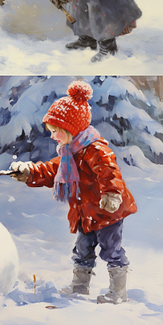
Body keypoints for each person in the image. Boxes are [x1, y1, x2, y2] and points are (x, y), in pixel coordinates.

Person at [10, 80, 137, 304]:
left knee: (111, 250)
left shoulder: (95, 149)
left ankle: (118, 292)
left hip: (108, 213)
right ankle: (80, 287)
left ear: (71, 129)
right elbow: (51, 170)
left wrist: (112, 195)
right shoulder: (71, 153)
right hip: (87, 213)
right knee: (82, 250)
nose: (53, 136)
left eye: (56, 131)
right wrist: (29, 172)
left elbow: (109, 171)